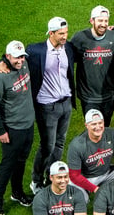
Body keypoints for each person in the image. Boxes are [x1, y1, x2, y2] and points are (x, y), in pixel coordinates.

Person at [26, 17, 76, 192]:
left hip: (66, 104)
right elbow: (13, 58)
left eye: (66, 33)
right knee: (48, 145)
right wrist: (2, 62)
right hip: (47, 106)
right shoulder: (36, 51)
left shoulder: (68, 48)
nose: (65, 36)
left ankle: (52, 176)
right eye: (61, 34)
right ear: (51, 33)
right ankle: (36, 180)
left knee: (60, 143)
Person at [0, 40, 36, 215]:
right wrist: (1, 131)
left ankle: (17, 193)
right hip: (12, 129)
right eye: (16, 58)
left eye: (22, 56)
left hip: (28, 126)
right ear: (7, 56)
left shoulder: (24, 64)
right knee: (7, 165)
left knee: (21, 162)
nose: (20, 61)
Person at [70, 5, 114, 124]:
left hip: (108, 95)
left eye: (106, 20)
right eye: (100, 20)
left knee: (106, 126)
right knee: (94, 126)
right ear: (91, 20)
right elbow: (69, 60)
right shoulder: (79, 38)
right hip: (88, 96)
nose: (103, 24)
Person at [66, 108, 114, 193]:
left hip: (108, 173)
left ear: (103, 123)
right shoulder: (77, 145)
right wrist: (95, 189)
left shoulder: (112, 134)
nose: (98, 127)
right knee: (74, 193)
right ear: (86, 125)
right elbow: (74, 175)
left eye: (100, 123)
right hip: (87, 177)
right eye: (94, 124)